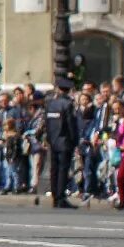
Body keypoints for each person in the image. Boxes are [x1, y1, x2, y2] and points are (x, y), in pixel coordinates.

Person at [42, 77, 80, 209]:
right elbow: (71, 125)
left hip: (53, 141)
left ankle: (55, 197)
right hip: (65, 141)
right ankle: (61, 197)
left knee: (54, 170)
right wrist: (75, 140)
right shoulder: (68, 104)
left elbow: (47, 124)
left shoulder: (50, 104)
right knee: (63, 170)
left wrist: (49, 139)